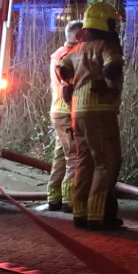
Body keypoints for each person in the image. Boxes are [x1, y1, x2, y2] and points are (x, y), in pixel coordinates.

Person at [60, 1, 126, 229]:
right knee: (106, 163)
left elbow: (63, 68)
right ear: (103, 22)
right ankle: (99, 215)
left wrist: (71, 85)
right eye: (111, 22)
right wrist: (108, 85)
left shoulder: (77, 48)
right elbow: (113, 68)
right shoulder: (107, 45)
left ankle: (80, 212)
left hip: (78, 111)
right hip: (101, 111)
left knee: (84, 162)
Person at [38, 19, 83, 212]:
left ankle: (54, 197)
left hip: (58, 111)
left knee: (60, 157)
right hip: (68, 113)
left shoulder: (57, 53)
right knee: (74, 155)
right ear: (77, 36)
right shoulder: (70, 56)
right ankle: (70, 200)